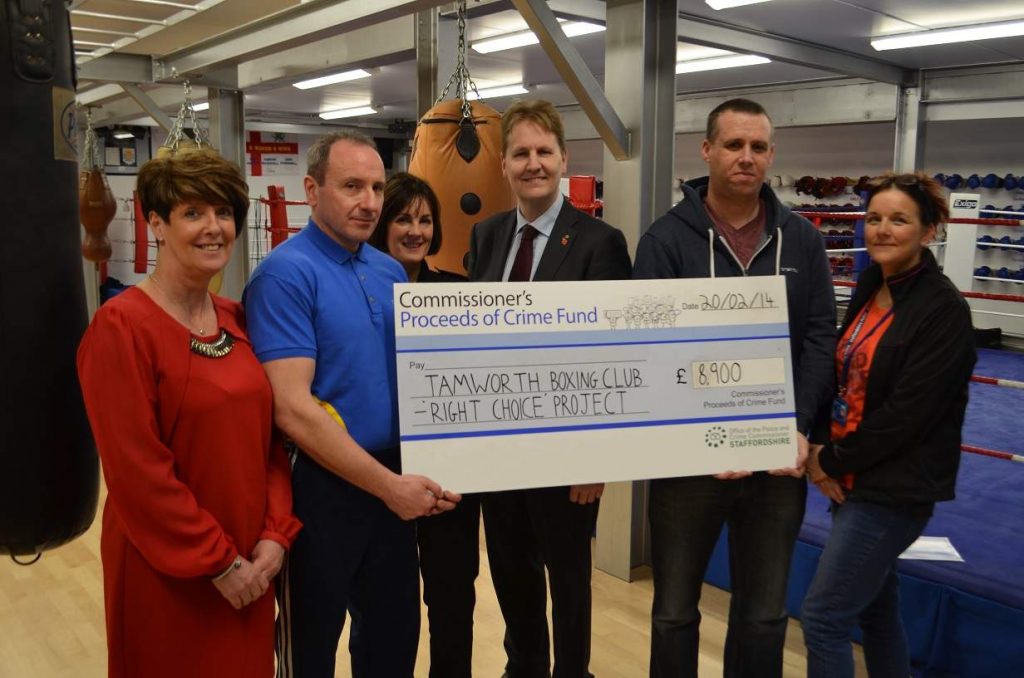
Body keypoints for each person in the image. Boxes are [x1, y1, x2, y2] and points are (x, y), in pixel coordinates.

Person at [242, 132, 460, 678]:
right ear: (312, 191)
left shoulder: (388, 272)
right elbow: (291, 409)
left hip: (392, 478)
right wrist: (389, 488)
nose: (368, 201)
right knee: (312, 642)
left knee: (392, 637)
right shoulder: (284, 275)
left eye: (377, 187)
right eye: (352, 186)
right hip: (320, 484)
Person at [77, 148, 301, 678]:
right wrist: (218, 562)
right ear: (155, 222)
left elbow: (268, 442)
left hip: (253, 564)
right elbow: (138, 472)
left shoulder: (236, 317)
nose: (214, 228)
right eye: (193, 213)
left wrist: (274, 534)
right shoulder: (121, 327)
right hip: (171, 572)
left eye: (223, 213)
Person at [632, 98, 836, 678]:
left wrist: (796, 425)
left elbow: (820, 339)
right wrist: (699, 437)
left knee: (766, 615)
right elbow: (650, 350)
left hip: (776, 465)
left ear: (770, 155)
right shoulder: (665, 240)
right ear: (707, 151)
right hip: (689, 468)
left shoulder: (802, 240)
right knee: (674, 613)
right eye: (733, 145)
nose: (746, 157)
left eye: (758, 147)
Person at [468, 99, 632, 678]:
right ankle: (525, 667)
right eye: (521, 153)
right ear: (505, 165)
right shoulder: (486, 238)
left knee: (566, 575)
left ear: (563, 160)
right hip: (500, 445)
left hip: (567, 453)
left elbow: (613, 356)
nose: (532, 163)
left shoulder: (598, 242)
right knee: (510, 569)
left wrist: (595, 456)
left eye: (543, 152)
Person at [801, 172, 976, 678]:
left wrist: (829, 459)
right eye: (874, 218)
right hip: (853, 478)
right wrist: (823, 448)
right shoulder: (872, 284)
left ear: (928, 232)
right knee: (876, 610)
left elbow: (908, 415)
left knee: (823, 618)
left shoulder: (942, 309)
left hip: (892, 490)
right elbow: (846, 379)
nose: (881, 230)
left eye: (899, 220)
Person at [369, 171, 473, 677]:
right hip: (381, 473)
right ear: (383, 224)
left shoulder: (458, 294)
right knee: (386, 609)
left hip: (447, 479)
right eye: (404, 218)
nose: (416, 230)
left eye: (426, 220)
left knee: (452, 603)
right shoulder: (360, 295)